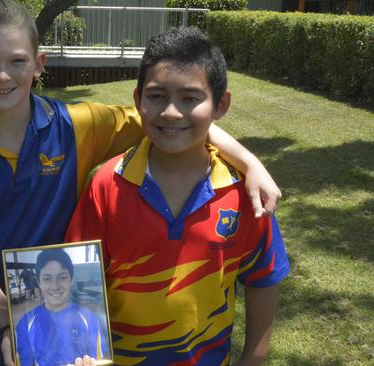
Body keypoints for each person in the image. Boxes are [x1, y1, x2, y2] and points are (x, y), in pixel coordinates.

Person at [0, 1, 282, 365]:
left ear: (38, 65)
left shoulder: (78, 126)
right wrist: (10, 322)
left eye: (17, 61)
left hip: (67, 303)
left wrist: (250, 162)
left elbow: (171, 120)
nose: (2, 76)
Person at [65, 27, 291, 365]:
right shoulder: (107, 185)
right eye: (157, 96)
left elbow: (263, 277)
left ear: (221, 104)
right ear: (138, 99)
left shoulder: (244, 193)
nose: (171, 112)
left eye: (190, 98)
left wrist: (254, 358)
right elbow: (78, 284)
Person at [15, 249, 108, 366]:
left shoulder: (89, 319)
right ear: (39, 282)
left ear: (71, 279)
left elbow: (97, 361)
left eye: (62, 277)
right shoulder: (25, 324)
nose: (55, 286)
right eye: (47, 279)